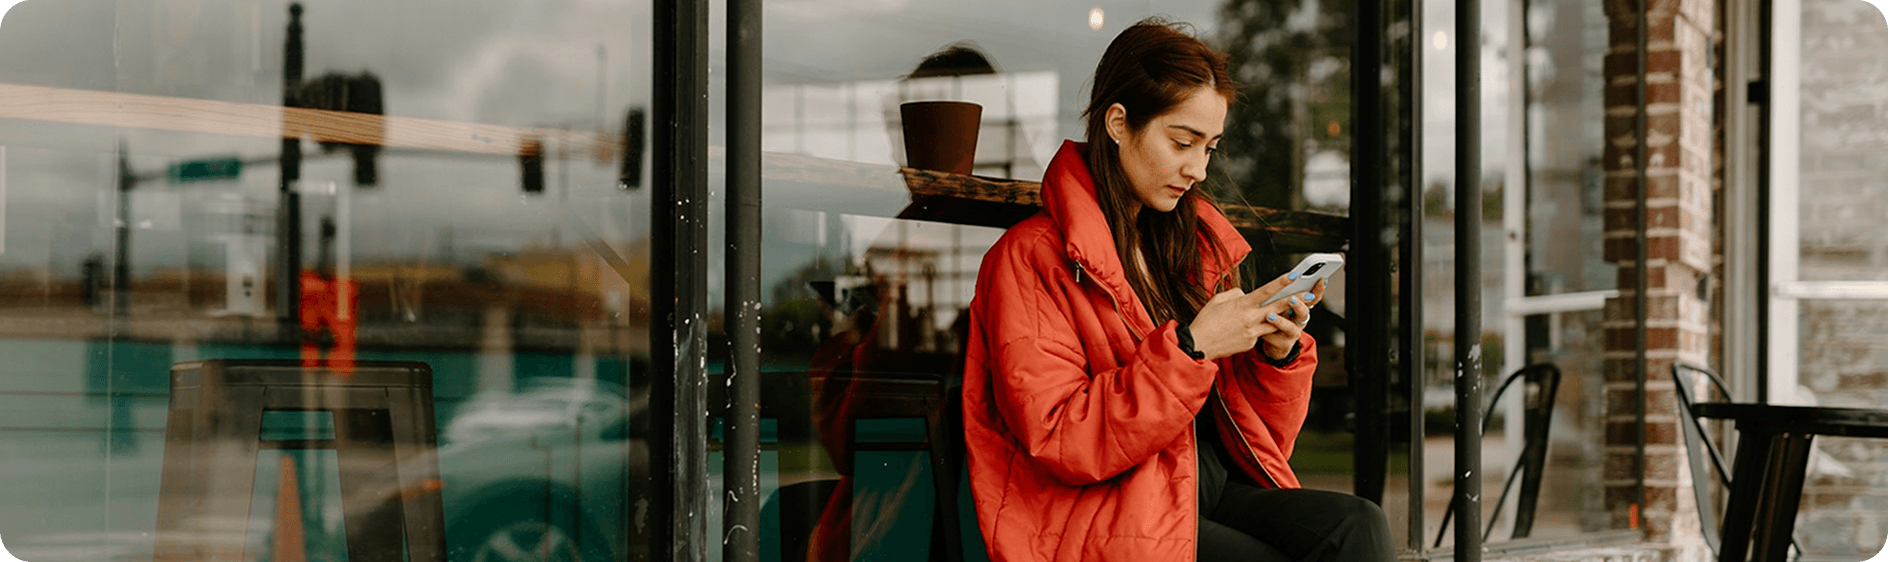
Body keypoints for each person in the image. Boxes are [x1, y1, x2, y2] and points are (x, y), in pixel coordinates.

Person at [960, 19, 1394, 562]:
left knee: (1358, 523)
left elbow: (1261, 441)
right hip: (1099, 504)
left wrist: (1270, 355)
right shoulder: (1030, 258)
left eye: (1209, 148)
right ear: (1118, 123)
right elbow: (1060, 438)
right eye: (1182, 142)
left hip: (1196, 482)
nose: (1196, 168)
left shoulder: (1194, 251)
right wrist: (1192, 349)